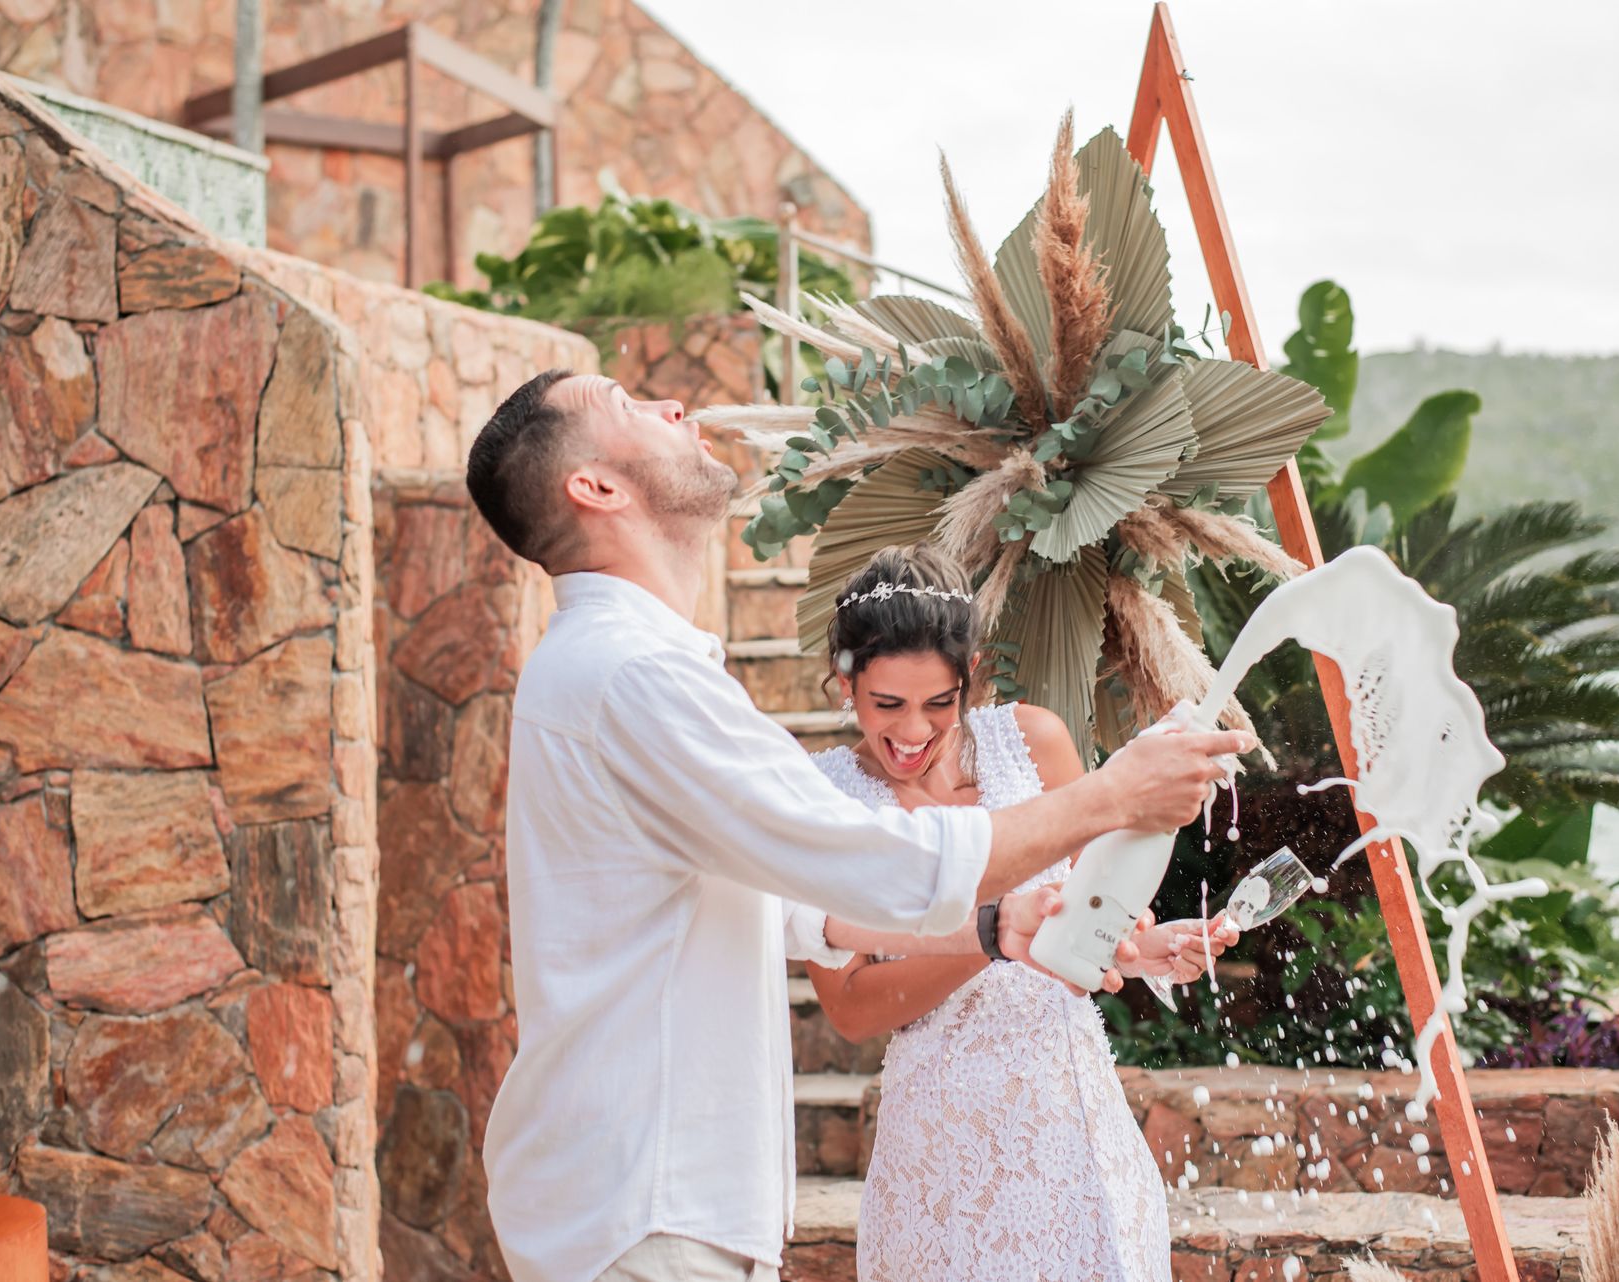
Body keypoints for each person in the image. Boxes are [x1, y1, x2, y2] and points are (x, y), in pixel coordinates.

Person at [463, 371, 1254, 1282]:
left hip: (651, 1202)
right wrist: (1113, 795)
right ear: (596, 488)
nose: (675, 404)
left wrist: (999, 927)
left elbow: (800, 905)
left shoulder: (626, 671)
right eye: (630, 404)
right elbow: (866, 861)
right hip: (646, 1206)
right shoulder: (633, 678)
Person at [803, 546, 1238, 1282]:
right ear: (846, 685)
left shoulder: (1035, 743)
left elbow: (1093, 921)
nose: (913, 732)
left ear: (969, 677)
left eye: (938, 704)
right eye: (888, 705)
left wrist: (1146, 945)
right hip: (937, 1152)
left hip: (1070, 1123)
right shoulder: (823, 800)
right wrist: (993, 936)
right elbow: (845, 1007)